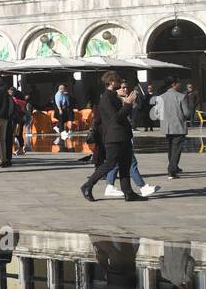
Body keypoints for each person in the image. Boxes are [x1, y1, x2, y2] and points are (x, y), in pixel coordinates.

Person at [81, 72, 144, 202]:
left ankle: (128, 192)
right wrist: (127, 104)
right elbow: (115, 118)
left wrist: (127, 103)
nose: (120, 83)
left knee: (125, 164)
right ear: (111, 82)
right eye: (117, 81)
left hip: (123, 136)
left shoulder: (114, 96)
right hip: (114, 137)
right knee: (110, 163)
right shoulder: (106, 98)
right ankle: (87, 185)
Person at [152, 78, 192, 179]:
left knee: (171, 148)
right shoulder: (181, 96)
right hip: (178, 126)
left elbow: (156, 113)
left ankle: (174, 167)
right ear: (173, 84)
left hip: (167, 127)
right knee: (176, 149)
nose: (180, 85)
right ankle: (172, 170)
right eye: (179, 83)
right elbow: (187, 113)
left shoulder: (160, 97)